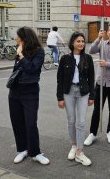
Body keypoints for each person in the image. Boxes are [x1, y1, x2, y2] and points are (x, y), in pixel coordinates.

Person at [8, 27, 50, 165]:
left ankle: (35, 152)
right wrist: (20, 55)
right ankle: (22, 150)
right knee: (17, 122)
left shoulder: (39, 52)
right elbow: (17, 70)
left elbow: (32, 69)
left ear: (25, 38)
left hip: (30, 92)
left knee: (31, 123)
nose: (16, 39)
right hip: (15, 91)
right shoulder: (20, 49)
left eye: (18, 37)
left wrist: (21, 56)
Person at [84, 23, 110, 146]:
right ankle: (92, 133)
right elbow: (91, 51)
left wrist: (106, 63)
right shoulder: (102, 44)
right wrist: (98, 38)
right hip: (100, 82)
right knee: (97, 109)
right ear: (107, 32)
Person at [57, 32, 95, 166]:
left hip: (83, 92)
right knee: (71, 120)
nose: (81, 43)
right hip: (68, 92)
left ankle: (80, 152)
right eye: (78, 41)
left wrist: (92, 95)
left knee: (81, 122)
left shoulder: (88, 58)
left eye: (83, 41)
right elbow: (60, 79)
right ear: (72, 43)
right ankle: (73, 145)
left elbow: (91, 78)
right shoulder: (65, 59)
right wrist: (59, 97)